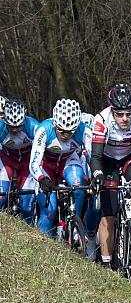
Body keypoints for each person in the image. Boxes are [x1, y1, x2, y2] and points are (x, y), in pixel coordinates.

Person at [90, 83, 131, 267]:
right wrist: (97, 174)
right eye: (120, 114)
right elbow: (96, 156)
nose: (125, 118)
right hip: (107, 159)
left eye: (129, 114)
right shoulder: (101, 120)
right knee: (108, 215)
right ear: (112, 111)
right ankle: (107, 263)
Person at [29, 98, 92, 236]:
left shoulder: (84, 130)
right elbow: (33, 162)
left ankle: (77, 223)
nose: (65, 135)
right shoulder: (44, 129)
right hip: (46, 166)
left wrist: (94, 176)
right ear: (55, 124)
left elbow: (92, 158)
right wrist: (41, 178)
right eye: (61, 131)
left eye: (70, 132)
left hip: (68, 161)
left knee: (78, 185)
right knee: (49, 212)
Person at [0, 100, 39, 223]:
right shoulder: (1, 128)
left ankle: (26, 233)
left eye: (18, 126)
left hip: (27, 163)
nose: (15, 130)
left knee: (27, 206)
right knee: (1, 196)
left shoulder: (33, 125)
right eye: (11, 126)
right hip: (7, 161)